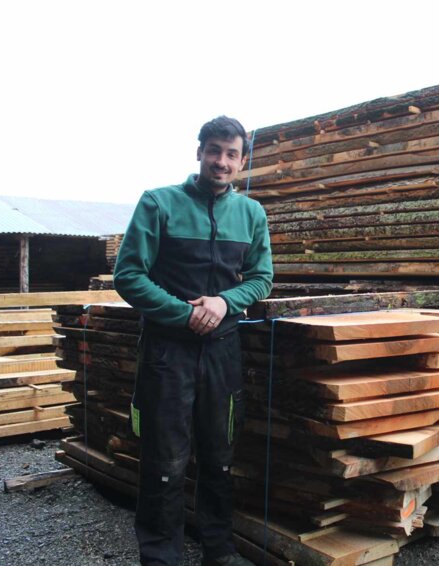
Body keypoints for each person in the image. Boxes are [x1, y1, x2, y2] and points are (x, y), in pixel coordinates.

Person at [114, 116, 273, 566]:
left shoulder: (251, 214)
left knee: (220, 453)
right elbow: (128, 276)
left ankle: (219, 551)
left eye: (230, 154)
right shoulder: (158, 203)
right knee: (164, 459)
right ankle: (161, 557)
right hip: (168, 350)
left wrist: (224, 303)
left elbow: (262, 278)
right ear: (199, 152)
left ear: (241, 162)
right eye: (213, 150)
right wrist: (186, 314)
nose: (220, 161)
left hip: (223, 349)